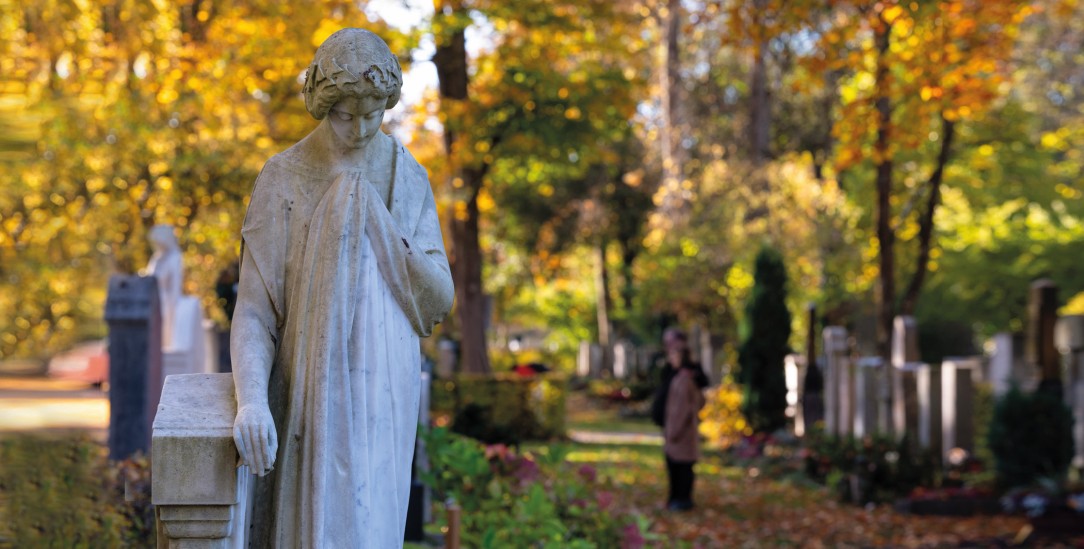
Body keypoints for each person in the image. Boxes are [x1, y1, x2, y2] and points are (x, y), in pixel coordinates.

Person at [230, 28, 454, 548]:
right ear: (322, 107)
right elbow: (257, 310)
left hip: (385, 385)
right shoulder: (283, 178)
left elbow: (438, 298)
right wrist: (251, 403)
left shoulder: (407, 175)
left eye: (372, 115)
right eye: (344, 116)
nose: (358, 130)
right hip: (307, 388)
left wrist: (376, 223)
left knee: (371, 525)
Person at [651, 328, 708, 511]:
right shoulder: (674, 375)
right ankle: (676, 498)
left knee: (682, 468)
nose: (670, 357)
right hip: (673, 429)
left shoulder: (686, 379)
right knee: (674, 467)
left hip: (679, 431)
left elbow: (684, 407)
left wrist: (674, 430)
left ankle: (682, 500)